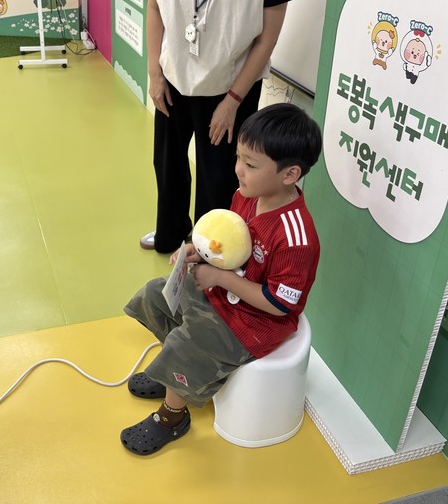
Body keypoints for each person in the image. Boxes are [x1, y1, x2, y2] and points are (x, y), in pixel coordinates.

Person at [121, 103, 322, 455]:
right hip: (225, 293)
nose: (238, 169)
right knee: (157, 295)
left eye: (251, 165)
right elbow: (228, 244)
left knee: (189, 342)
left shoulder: (296, 237)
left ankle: (172, 416)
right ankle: (175, 376)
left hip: (255, 322)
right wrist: (199, 252)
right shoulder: (246, 196)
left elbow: (279, 305)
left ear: (289, 174)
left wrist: (220, 277)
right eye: (238, 158)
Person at [139, 0, 294, 254]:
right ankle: (171, 232)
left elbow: (266, 39)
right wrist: (154, 72)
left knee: (219, 178)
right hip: (174, 76)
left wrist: (233, 100)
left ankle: (208, 252)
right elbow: (154, 5)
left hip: (229, 87)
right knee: (167, 163)